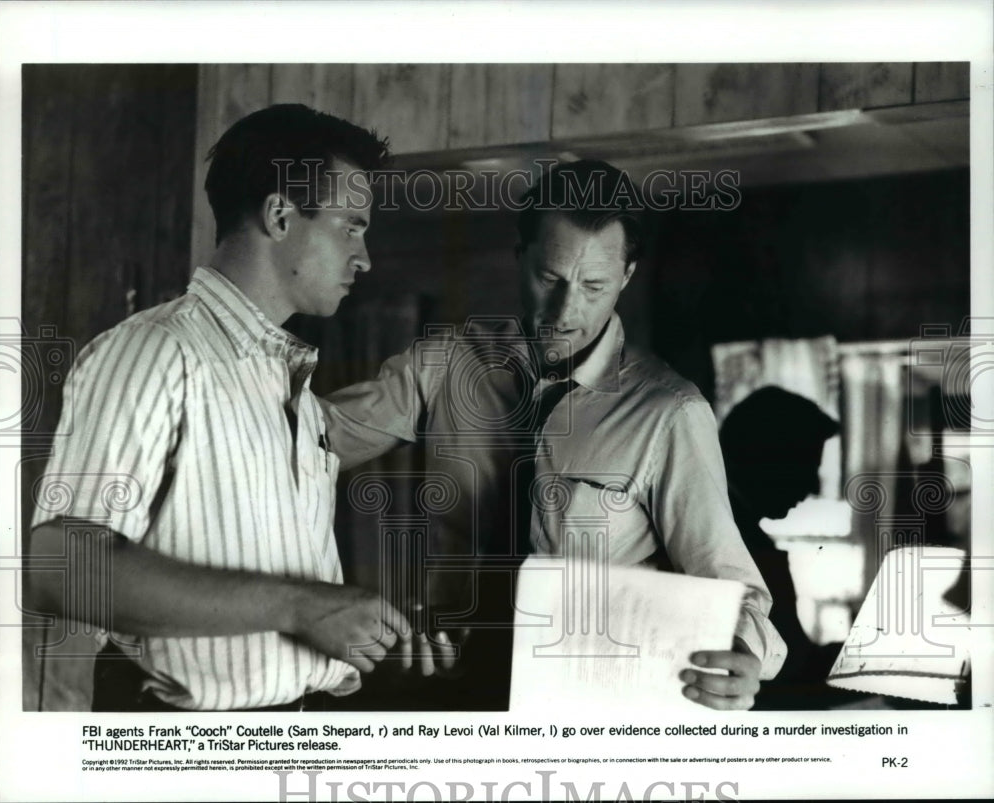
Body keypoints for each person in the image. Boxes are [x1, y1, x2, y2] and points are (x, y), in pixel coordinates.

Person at [28, 104, 451, 712]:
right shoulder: (157, 352)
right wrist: (303, 605)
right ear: (280, 215)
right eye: (351, 227)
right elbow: (58, 567)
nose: (365, 257)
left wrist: (366, 637)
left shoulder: (287, 386)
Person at [323, 159, 785, 710]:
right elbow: (308, 439)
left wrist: (745, 654)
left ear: (627, 277)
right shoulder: (445, 368)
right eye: (550, 279)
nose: (567, 311)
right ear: (520, 260)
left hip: (589, 721)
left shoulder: (670, 412)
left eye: (594, 286)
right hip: (451, 702)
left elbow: (733, 587)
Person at [718, 385, 844, 709]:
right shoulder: (731, 540)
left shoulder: (745, 530)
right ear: (765, 456)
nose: (813, 486)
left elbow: (793, 657)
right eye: (807, 464)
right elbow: (780, 682)